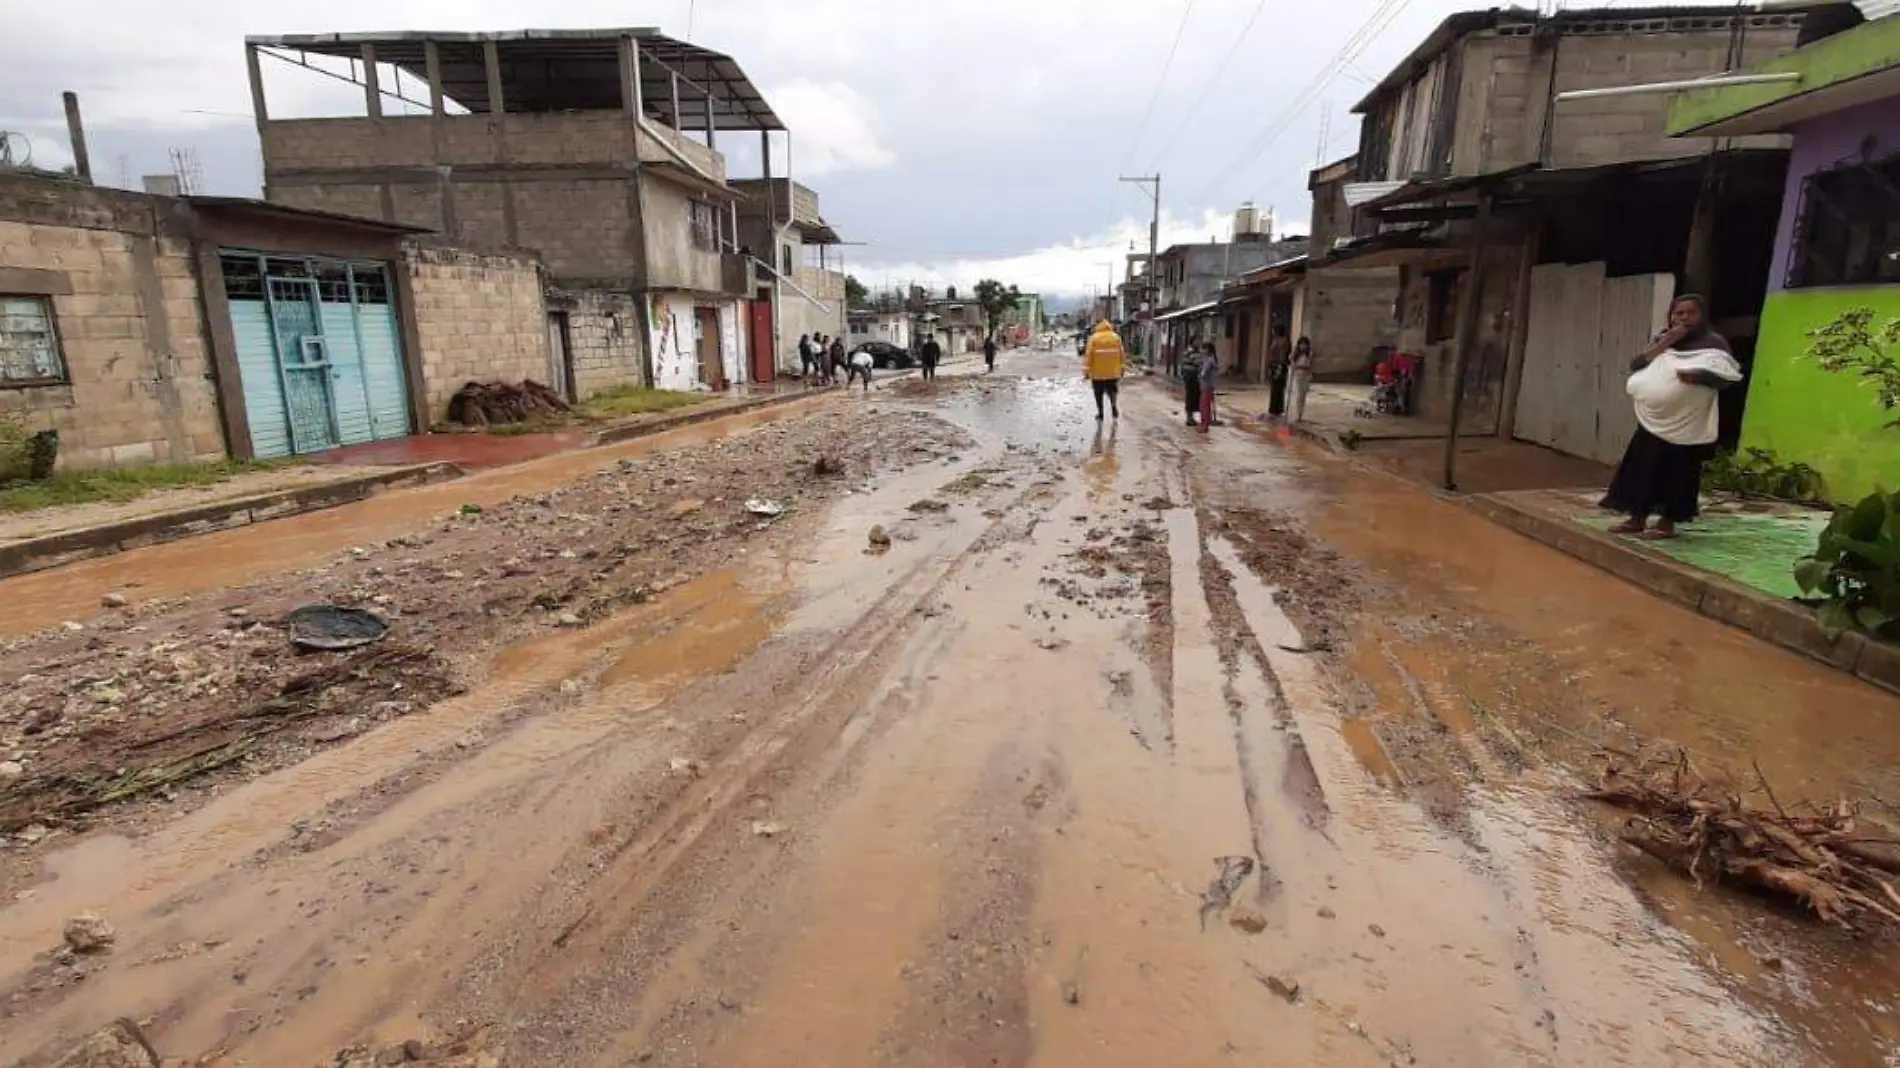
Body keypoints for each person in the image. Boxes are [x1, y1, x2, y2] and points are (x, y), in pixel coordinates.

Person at [1601, 294, 1743, 540]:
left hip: (1687, 424)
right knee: (1642, 467)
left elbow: (1727, 378)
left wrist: (1698, 377)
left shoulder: (1714, 343)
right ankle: (1636, 518)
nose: (1684, 317)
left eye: (1690, 312)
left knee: (1679, 471)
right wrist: (1664, 344)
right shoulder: (1664, 340)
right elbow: (1636, 364)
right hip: (1653, 421)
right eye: (1678, 313)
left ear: (1702, 315)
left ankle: (1667, 524)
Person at [1083, 320, 1125, 421]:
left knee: (1098, 393)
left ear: (1098, 327)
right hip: (1113, 372)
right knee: (1112, 391)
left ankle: (1100, 414)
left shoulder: (1094, 338)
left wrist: (1086, 372)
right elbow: (1122, 354)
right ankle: (1114, 406)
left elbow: (1089, 355)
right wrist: (1122, 369)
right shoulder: (1116, 337)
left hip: (1097, 373)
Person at [1266, 325, 1291, 418]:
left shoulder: (1283, 342)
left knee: (1278, 388)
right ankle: (1275, 409)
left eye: (1273, 330)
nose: (1272, 332)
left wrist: (1279, 368)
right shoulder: (1276, 340)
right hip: (1274, 365)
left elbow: (1282, 356)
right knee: (1274, 388)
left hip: (1279, 366)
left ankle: (1276, 409)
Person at [1288, 336, 1314, 424]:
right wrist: (1293, 364)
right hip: (1297, 376)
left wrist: (1298, 366)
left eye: (1304, 344)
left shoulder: (1309, 353)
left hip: (1305, 376)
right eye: (1301, 344)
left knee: (1303, 396)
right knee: (1299, 396)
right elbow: (1290, 359)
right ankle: (1298, 415)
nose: (1303, 346)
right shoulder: (1296, 354)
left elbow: (1308, 365)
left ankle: (1300, 415)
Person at [1197, 341, 1219, 432]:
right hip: (1209, 386)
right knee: (1206, 406)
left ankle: (1204, 425)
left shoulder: (1209, 360)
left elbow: (1204, 372)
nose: (1201, 350)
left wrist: (1200, 376)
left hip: (1206, 386)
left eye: (1203, 348)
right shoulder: (1210, 359)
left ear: (1207, 350)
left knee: (1204, 406)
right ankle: (1205, 424)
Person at [1182, 342, 1204, 428]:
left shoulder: (1198, 352)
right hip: (1190, 377)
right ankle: (1189, 418)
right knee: (1190, 397)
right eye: (1196, 341)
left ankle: (1192, 417)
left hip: (1195, 377)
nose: (1198, 343)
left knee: (1195, 397)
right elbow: (1189, 363)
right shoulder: (1189, 352)